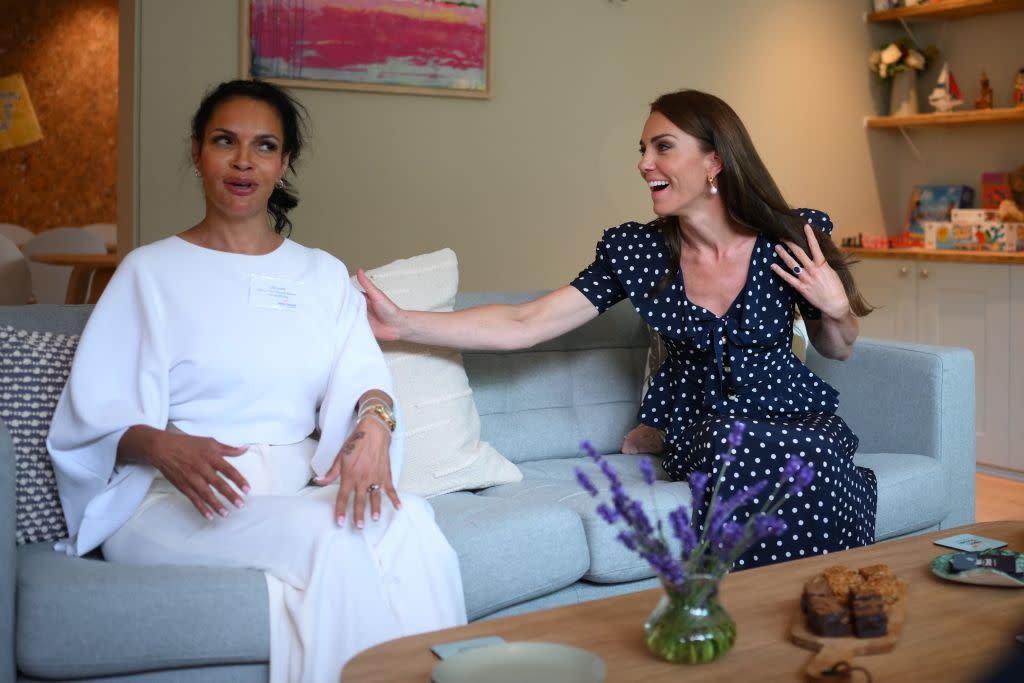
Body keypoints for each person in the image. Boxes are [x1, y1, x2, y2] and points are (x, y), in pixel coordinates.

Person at [46, 79, 466, 681]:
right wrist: (160, 444)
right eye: (225, 141)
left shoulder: (320, 275)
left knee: (413, 524)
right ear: (198, 151)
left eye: (264, 146)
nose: (244, 161)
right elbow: (90, 418)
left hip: (291, 487)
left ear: (284, 162)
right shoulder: (149, 272)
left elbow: (363, 376)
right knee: (336, 539)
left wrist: (375, 423)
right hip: (176, 500)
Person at [358, 89, 877, 570]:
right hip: (708, 429)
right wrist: (404, 323)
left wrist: (834, 307)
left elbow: (839, 348)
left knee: (807, 454)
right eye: (644, 148)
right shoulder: (640, 252)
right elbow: (527, 322)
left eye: (663, 147)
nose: (644, 163)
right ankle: (751, 606)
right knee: (736, 445)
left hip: (797, 417)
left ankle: (826, 591)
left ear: (714, 161)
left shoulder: (791, 237)